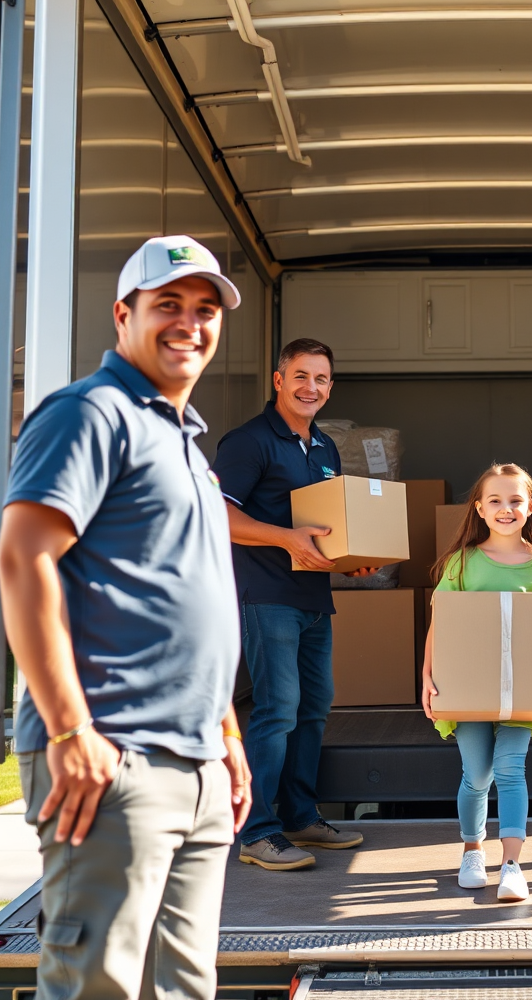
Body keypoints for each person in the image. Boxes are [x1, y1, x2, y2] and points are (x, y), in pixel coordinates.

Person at [0, 235, 251, 1000]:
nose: (190, 324)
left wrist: (228, 735)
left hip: (198, 763)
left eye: (205, 310)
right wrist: (71, 731)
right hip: (114, 758)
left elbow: (194, 594)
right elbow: (23, 560)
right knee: (101, 986)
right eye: (167, 305)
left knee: (183, 988)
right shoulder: (90, 413)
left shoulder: (188, 444)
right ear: (122, 314)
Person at [212, 337, 368, 871]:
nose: (312, 387)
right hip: (266, 594)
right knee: (277, 708)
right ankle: (257, 831)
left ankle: (301, 815)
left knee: (313, 706)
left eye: (321, 379)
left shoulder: (324, 447)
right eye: (301, 376)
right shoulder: (249, 442)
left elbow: (326, 525)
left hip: (312, 597)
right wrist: (285, 538)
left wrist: (354, 557)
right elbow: (221, 516)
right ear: (278, 380)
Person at [421, 463, 532, 902]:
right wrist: (427, 674)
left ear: (531, 507)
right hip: (469, 690)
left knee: (512, 768)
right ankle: (472, 850)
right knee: (477, 774)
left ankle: (512, 865)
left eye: (515, 500)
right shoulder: (461, 563)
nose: (505, 508)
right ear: (479, 509)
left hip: (525, 690)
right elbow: (441, 621)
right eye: (495, 500)